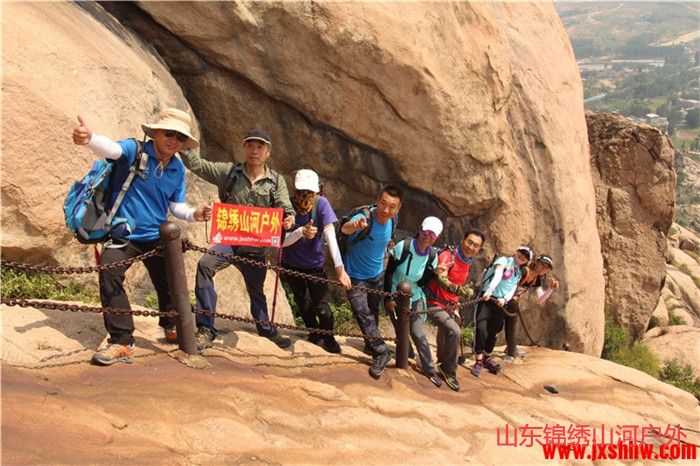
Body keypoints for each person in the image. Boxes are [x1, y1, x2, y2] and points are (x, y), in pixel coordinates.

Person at [72, 108, 212, 366]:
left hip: (156, 236)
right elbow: (112, 149)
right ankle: (122, 341)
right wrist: (90, 138)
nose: (174, 140)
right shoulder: (135, 150)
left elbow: (176, 206)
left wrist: (195, 214)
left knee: (168, 281)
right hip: (124, 234)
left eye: (180, 137)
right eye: (169, 133)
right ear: (155, 133)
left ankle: (171, 324)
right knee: (109, 274)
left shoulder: (177, 169)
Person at [180, 129, 296, 350]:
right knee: (205, 265)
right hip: (229, 241)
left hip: (256, 247)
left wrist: (288, 219)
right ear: (244, 148)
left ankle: (266, 329)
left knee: (256, 291)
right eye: (250, 145)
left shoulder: (275, 181)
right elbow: (198, 165)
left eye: (260, 146)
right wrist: (183, 143)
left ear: (268, 152)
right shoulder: (229, 172)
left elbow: (285, 207)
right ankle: (205, 328)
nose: (254, 150)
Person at [281, 169, 352, 354]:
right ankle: (313, 332)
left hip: (314, 265)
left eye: (309, 191)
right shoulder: (286, 205)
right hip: (290, 263)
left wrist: (340, 269)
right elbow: (281, 242)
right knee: (302, 301)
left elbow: (330, 236)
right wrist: (301, 232)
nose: (305, 195)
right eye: (301, 191)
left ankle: (328, 337)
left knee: (322, 306)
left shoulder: (321, 204)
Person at [342, 185, 402, 379]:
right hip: (355, 275)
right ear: (377, 201)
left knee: (373, 312)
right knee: (363, 313)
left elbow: (386, 239)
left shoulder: (393, 220)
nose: (386, 210)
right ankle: (381, 352)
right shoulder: (365, 217)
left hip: (376, 275)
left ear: (398, 209)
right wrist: (355, 226)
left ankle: (371, 345)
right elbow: (344, 228)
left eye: (392, 207)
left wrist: (389, 244)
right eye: (383, 203)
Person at [384, 217, 444, 387]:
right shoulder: (404, 246)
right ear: (420, 229)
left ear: (436, 238)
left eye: (432, 235)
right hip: (395, 292)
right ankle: (406, 353)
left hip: (414, 295)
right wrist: (388, 298)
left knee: (418, 333)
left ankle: (430, 369)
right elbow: (389, 273)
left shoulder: (432, 255)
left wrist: (434, 274)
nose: (427, 237)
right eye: (426, 232)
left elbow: (422, 282)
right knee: (399, 327)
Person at [425, 229, 485, 391]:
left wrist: (457, 298)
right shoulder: (448, 256)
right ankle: (449, 370)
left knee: (450, 327)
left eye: (476, 245)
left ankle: (442, 360)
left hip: (450, 305)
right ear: (462, 240)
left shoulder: (467, 261)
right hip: (434, 302)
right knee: (454, 331)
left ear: (479, 249)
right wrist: (461, 291)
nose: (471, 247)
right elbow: (442, 278)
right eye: (469, 242)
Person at [471, 245, 532, 377]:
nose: (522, 256)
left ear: (527, 261)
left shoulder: (518, 273)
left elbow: (512, 289)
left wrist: (504, 299)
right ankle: (478, 360)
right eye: (521, 252)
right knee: (481, 328)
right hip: (487, 298)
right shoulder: (503, 261)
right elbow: (497, 276)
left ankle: (487, 357)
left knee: (494, 330)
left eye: (526, 256)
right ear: (516, 251)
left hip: (499, 303)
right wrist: (489, 291)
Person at [503, 254, 559, 360]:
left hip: (511, 302)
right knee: (502, 325)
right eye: (542, 264)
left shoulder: (536, 279)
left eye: (547, 267)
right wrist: (512, 296)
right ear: (536, 262)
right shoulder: (524, 271)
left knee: (512, 324)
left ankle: (511, 348)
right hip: (503, 299)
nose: (543, 268)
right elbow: (509, 283)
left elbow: (540, 299)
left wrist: (550, 289)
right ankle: (509, 349)